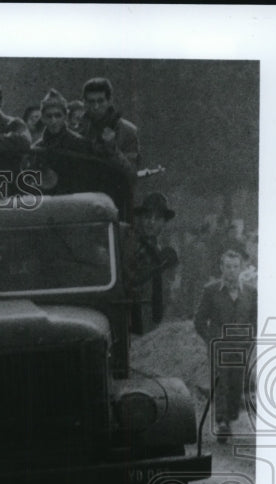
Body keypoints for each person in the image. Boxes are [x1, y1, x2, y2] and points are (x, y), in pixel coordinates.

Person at [193, 247, 257, 442]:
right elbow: (199, 320)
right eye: (227, 266)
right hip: (219, 347)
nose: (231, 270)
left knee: (236, 385)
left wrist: (250, 338)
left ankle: (229, 416)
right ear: (221, 268)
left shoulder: (251, 292)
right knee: (221, 383)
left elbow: (255, 318)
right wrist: (211, 340)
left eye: (235, 266)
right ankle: (222, 422)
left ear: (241, 268)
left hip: (241, 347)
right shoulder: (211, 290)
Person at [81, 77, 140, 216]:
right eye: (91, 101)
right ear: (84, 102)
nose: (96, 106)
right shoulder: (78, 130)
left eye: (100, 101)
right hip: (83, 201)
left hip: (116, 202)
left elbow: (131, 174)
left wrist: (112, 148)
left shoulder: (127, 131)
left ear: (109, 101)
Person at [23, 88, 94, 196]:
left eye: (58, 115)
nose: (53, 121)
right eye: (49, 116)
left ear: (65, 117)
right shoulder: (36, 149)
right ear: (42, 118)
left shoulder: (80, 144)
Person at [130, 192, 180, 331]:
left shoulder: (156, 246)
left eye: (157, 218)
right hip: (137, 319)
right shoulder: (133, 244)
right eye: (147, 217)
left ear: (164, 222)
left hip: (153, 317)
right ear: (140, 219)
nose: (151, 222)